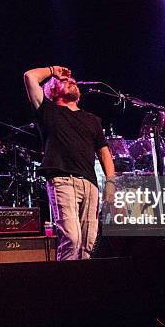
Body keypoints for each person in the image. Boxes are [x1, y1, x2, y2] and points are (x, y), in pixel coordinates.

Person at [24, 65, 115, 260]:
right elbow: (30, 76)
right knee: (72, 239)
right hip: (63, 180)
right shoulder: (47, 110)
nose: (72, 81)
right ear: (53, 90)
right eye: (65, 82)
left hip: (90, 185)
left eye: (72, 81)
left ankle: (82, 287)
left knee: (88, 243)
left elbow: (104, 153)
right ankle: (64, 286)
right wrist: (52, 70)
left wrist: (111, 183)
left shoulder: (92, 120)